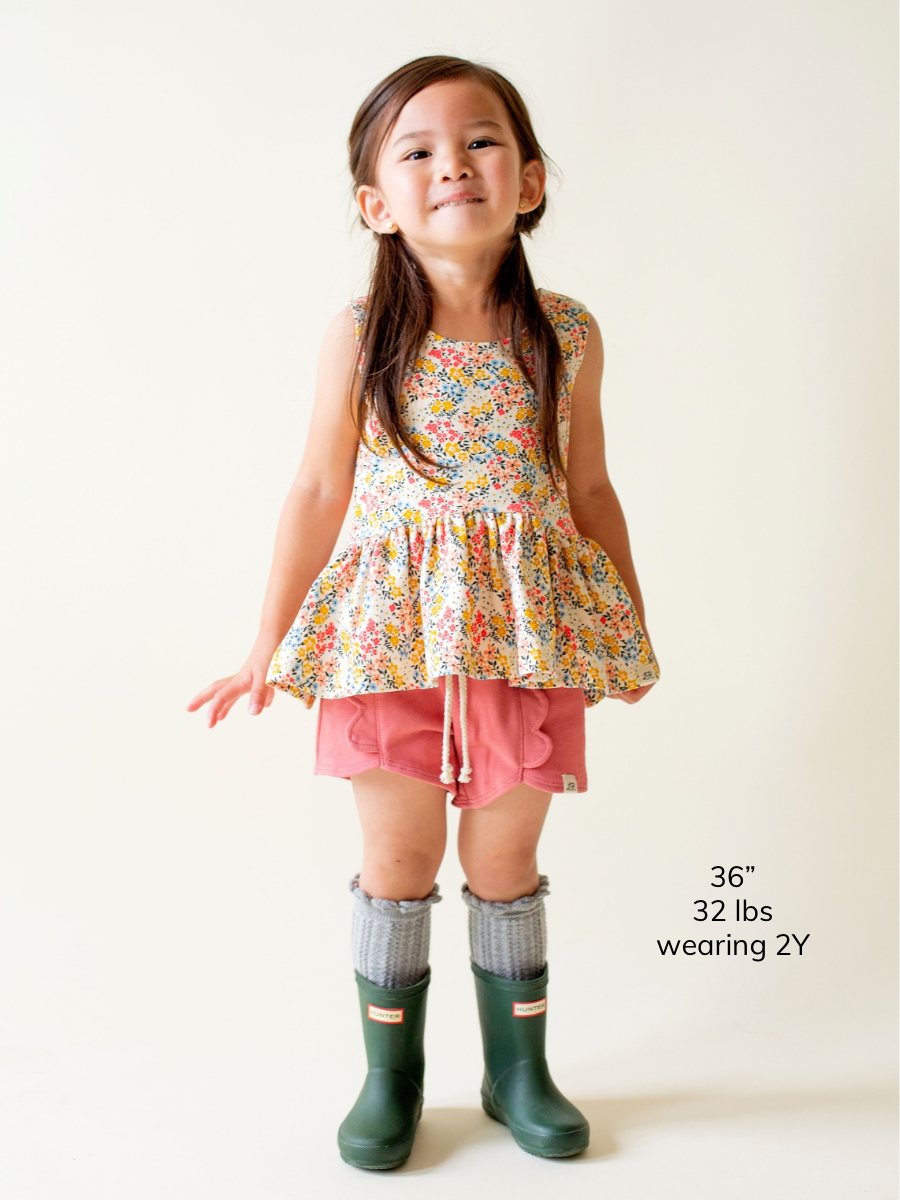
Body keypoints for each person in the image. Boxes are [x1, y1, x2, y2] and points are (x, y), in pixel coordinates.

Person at [186, 54, 660, 1171]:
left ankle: (517, 1071)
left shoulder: (568, 333)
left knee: (505, 862)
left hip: (524, 637)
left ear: (529, 180)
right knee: (397, 859)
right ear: (377, 204)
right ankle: (389, 1077)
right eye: (419, 151)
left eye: (481, 141)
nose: (454, 165)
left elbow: (590, 489)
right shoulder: (361, 335)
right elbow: (319, 489)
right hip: (385, 637)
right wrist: (265, 641)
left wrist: (627, 629)